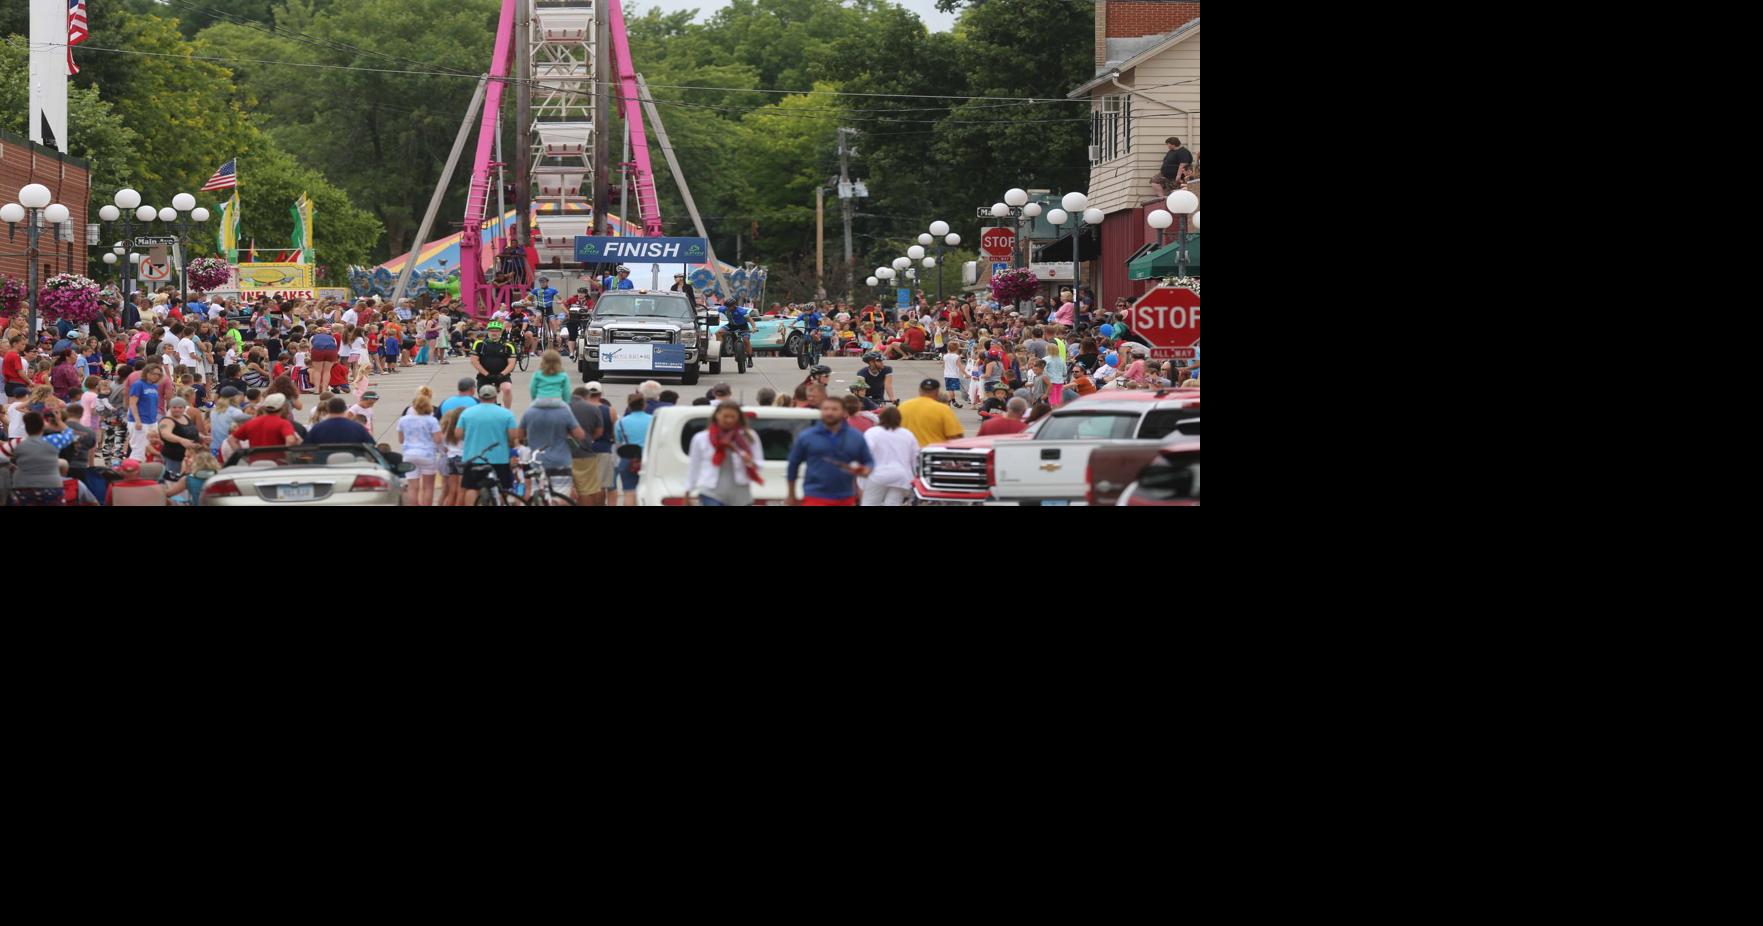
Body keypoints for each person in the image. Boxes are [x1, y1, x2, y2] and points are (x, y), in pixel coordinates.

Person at [786, 396, 872, 507]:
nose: (829, 412)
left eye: (834, 409)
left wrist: (866, 470)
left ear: (844, 412)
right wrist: (791, 495)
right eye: (826, 409)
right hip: (815, 497)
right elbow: (793, 465)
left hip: (845, 498)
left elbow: (869, 461)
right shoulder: (807, 436)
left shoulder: (856, 437)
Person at [452, 385, 520, 506]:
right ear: (495, 397)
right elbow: (513, 435)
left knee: (471, 487)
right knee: (500, 488)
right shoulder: (506, 414)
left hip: (473, 457)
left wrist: (470, 438)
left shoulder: (467, 413)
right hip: (499, 458)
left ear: (479, 396)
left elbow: (458, 434)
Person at [517, 388, 587, 505]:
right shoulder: (564, 412)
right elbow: (580, 435)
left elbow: (519, 435)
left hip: (537, 462)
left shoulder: (530, 412)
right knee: (562, 497)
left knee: (539, 496)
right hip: (560, 462)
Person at [686, 400, 762, 506]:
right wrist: (688, 491)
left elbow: (759, 463)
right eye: (725, 416)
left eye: (733, 416)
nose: (729, 420)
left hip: (740, 491)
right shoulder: (701, 438)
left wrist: (748, 460)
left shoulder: (749, 437)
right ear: (717, 415)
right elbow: (694, 467)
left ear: (739, 417)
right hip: (710, 490)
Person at [1, 412, 67, 505]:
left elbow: (1, 458)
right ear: (42, 427)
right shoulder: (53, 440)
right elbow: (70, 434)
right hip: (51, 485)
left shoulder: (16, 443)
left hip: (23, 486)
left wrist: (13, 468)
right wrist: (59, 421)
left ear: (25, 428)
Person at [860, 405, 918, 506]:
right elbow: (915, 457)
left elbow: (864, 453)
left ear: (881, 418)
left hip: (877, 474)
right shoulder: (907, 434)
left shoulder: (873, 432)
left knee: (870, 503)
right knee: (893, 503)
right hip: (900, 475)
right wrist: (916, 476)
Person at [569, 384, 613, 506]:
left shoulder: (565, 407)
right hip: (586, 452)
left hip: (566, 453)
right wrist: (588, 439)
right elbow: (599, 432)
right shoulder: (595, 409)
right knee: (588, 489)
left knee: (568, 488)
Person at [897, 378, 965, 448]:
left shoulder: (903, 406)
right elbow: (955, 437)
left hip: (907, 452)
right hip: (933, 454)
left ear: (920, 391)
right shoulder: (943, 409)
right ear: (937, 392)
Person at [610, 392, 651, 506]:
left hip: (628, 458)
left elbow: (618, 441)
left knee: (629, 492)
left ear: (629, 406)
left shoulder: (621, 422)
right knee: (647, 492)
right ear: (644, 405)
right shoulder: (652, 420)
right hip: (648, 458)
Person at [228, 393, 298, 453]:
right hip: (277, 463)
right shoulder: (283, 423)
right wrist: (285, 454)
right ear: (283, 407)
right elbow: (290, 440)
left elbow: (232, 440)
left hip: (255, 462)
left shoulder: (252, 422)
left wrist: (243, 455)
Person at [470, 321, 516, 408]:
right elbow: (474, 361)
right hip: (484, 375)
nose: (494, 333)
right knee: (484, 398)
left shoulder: (508, 345)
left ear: (501, 332)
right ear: (488, 332)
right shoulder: (479, 344)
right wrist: (486, 374)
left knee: (507, 389)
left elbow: (512, 363)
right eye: (492, 331)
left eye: (497, 331)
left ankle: (506, 411)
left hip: (502, 375)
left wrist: (502, 374)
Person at [125, 363, 165, 461]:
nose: (156, 376)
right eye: (154, 373)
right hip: (140, 420)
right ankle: (132, 470)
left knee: (149, 448)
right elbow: (132, 403)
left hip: (152, 421)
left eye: (158, 374)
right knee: (139, 450)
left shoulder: (154, 386)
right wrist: (137, 420)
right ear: (147, 372)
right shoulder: (138, 385)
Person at [157, 397, 203, 479]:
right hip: (174, 457)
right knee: (173, 479)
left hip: (190, 457)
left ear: (184, 408)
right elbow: (165, 434)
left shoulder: (186, 417)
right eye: (174, 407)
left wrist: (202, 437)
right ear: (170, 408)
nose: (177, 409)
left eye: (180, 407)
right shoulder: (167, 420)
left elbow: (192, 431)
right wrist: (181, 440)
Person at [305, 396, 374, 445]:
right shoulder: (358, 428)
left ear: (328, 409)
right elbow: (370, 445)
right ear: (345, 409)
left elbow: (307, 446)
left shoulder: (317, 428)